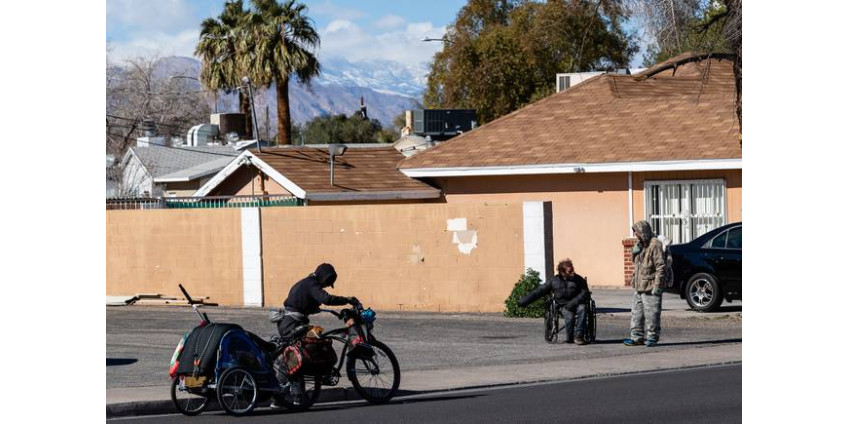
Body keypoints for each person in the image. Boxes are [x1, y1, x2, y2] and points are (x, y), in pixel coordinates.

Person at [270, 263, 359, 407]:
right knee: (298, 356)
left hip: (291, 321)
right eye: (327, 282)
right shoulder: (312, 284)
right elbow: (326, 299)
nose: (326, 285)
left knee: (297, 354)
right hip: (291, 323)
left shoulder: (307, 283)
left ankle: (281, 397)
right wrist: (347, 300)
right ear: (323, 276)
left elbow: (302, 302)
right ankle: (295, 397)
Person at [518, 259, 590, 345]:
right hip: (562, 305)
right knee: (570, 316)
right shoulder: (553, 281)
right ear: (562, 272)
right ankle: (570, 338)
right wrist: (523, 301)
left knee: (583, 308)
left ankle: (579, 336)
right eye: (570, 271)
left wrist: (572, 304)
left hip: (577, 303)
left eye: (573, 270)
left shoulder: (579, 280)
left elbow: (585, 293)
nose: (573, 273)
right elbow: (538, 292)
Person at [624, 220, 667, 347]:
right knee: (636, 313)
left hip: (651, 286)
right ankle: (637, 337)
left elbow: (661, 266)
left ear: (643, 232)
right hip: (639, 286)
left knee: (652, 314)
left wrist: (658, 286)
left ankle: (652, 337)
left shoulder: (655, 245)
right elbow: (635, 262)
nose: (635, 234)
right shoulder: (640, 244)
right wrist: (634, 252)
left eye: (636, 232)